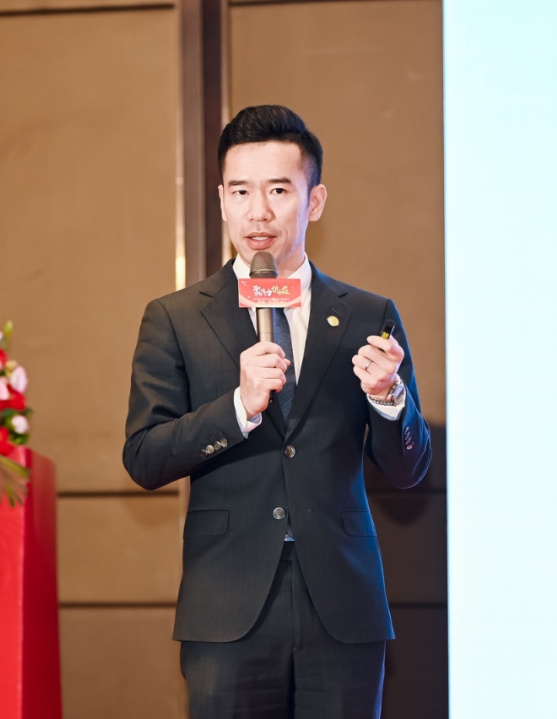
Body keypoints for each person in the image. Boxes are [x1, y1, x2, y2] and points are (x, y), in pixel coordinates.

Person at [123, 105, 432, 719]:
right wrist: (238, 407)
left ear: (314, 201)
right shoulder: (176, 317)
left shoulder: (369, 315)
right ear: (221, 201)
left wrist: (388, 398)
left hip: (343, 600)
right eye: (241, 191)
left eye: (278, 190)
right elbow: (145, 457)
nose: (258, 212)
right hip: (227, 601)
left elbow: (408, 470)